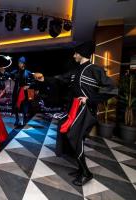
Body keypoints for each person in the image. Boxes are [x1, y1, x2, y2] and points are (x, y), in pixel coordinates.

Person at [34, 41, 116, 186]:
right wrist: (43, 78)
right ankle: (80, 169)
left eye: (76, 53)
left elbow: (112, 89)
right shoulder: (76, 70)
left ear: (82, 54)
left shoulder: (94, 69)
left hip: (85, 110)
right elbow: (60, 78)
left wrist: (90, 99)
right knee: (70, 134)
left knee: (74, 136)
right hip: (75, 108)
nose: (74, 55)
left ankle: (86, 173)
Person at [10, 56, 34, 126]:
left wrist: (28, 86)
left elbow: (33, 81)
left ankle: (24, 119)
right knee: (16, 105)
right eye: (19, 63)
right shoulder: (15, 71)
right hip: (17, 91)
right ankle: (17, 119)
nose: (19, 64)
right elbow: (10, 75)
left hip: (26, 92)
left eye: (21, 63)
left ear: (24, 64)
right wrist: (4, 72)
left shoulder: (28, 72)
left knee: (25, 106)